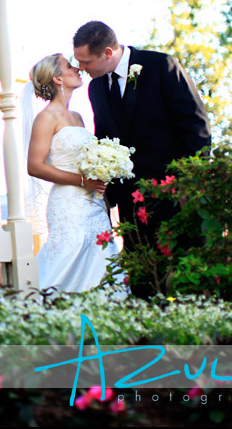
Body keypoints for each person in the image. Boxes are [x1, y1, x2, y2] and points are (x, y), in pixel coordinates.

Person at [72, 21, 211, 297]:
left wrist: (189, 185)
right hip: (131, 205)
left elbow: (197, 127)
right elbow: (106, 139)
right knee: (143, 280)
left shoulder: (162, 66)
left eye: (85, 62)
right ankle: (148, 336)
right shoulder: (96, 89)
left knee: (189, 278)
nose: (81, 69)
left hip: (175, 196)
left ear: (108, 53)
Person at [27, 53, 121, 292]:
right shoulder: (46, 118)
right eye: (70, 66)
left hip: (94, 204)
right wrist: (82, 181)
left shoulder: (78, 118)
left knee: (101, 262)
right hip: (68, 203)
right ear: (58, 79)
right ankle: (35, 312)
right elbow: (35, 166)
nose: (78, 68)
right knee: (66, 259)